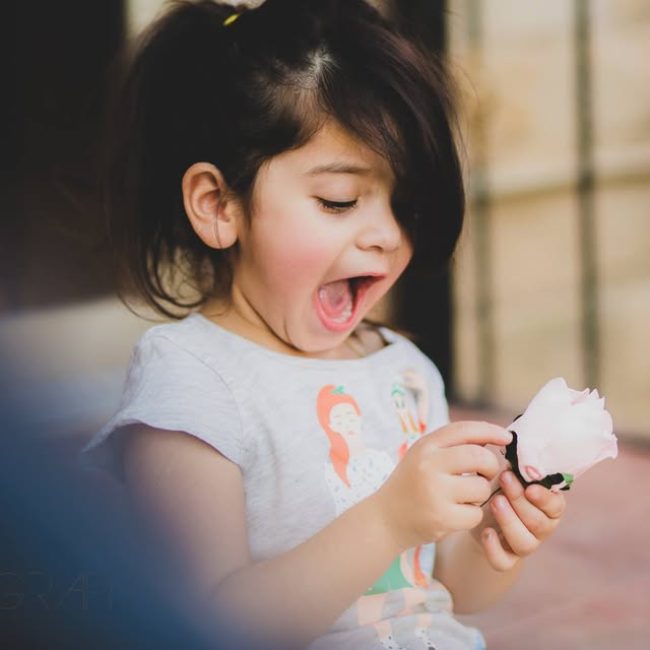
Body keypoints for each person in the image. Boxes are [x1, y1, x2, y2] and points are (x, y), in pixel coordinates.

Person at [82, 1, 566, 648]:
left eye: (404, 204)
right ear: (219, 205)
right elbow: (205, 626)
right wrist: (389, 518)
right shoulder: (192, 385)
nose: (388, 236)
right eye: (340, 200)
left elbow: (447, 589)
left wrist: (500, 539)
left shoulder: (404, 371)